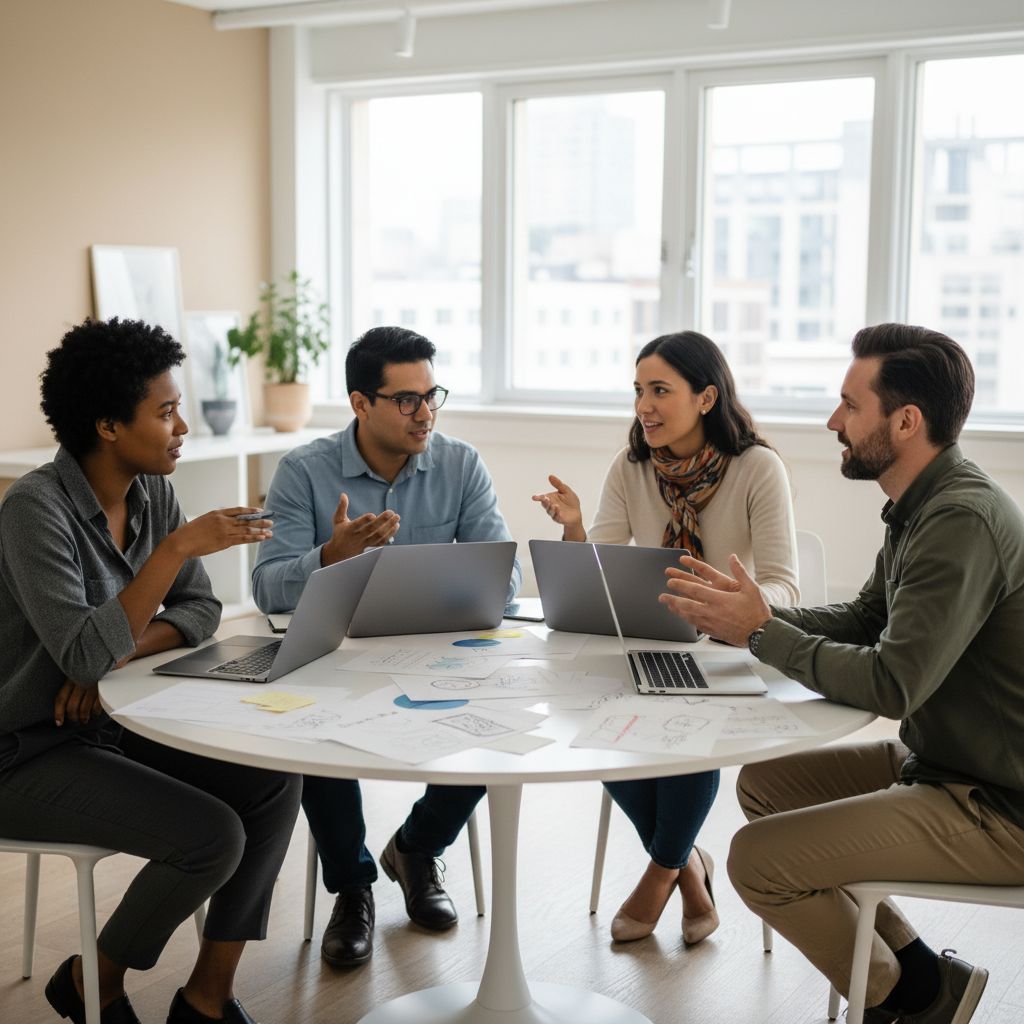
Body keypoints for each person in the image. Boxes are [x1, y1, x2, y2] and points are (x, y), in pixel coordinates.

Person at [661, 323, 1024, 1024]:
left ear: (906, 420)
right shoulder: (918, 506)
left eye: (850, 405)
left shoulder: (960, 520)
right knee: (766, 785)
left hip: (999, 802)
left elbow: (892, 684)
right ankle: (925, 978)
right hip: (946, 762)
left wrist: (762, 633)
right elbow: (865, 618)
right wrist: (749, 614)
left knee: (757, 862)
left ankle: (911, 1003)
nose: (834, 421)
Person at [0, 318, 302, 1024]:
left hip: (106, 720)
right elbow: (82, 652)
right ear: (107, 424)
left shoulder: (150, 491)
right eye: (164, 411)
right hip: (22, 750)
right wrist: (169, 555)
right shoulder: (32, 510)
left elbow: (201, 609)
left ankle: (207, 996)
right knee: (211, 837)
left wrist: (117, 650)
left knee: (270, 781)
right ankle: (91, 981)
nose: (182, 426)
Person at [251, 325, 521, 968]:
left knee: (504, 722)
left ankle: (418, 847)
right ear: (359, 403)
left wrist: (467, 585)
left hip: (438, 653)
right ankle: (353, 887)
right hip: (336, 658)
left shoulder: (461, 464)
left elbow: (506, 578)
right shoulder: (304, 472)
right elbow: (265, 587)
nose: (424, 412)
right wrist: (329, 557)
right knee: (311, 731)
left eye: (432, 396)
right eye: (405, 399)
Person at [532, 330, 798, 944]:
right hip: (648, 642)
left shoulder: (758, 467)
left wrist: (734, 607)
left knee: (688, 729)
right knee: (588, 722)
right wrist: (574, 527)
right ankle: (688, 868)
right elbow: (593, 574)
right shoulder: (632, 467)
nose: (643, 406)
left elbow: (785, 587)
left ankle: (659, 874)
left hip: (726, 649)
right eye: (637, 391)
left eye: (659, 391)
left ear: (706, 398)